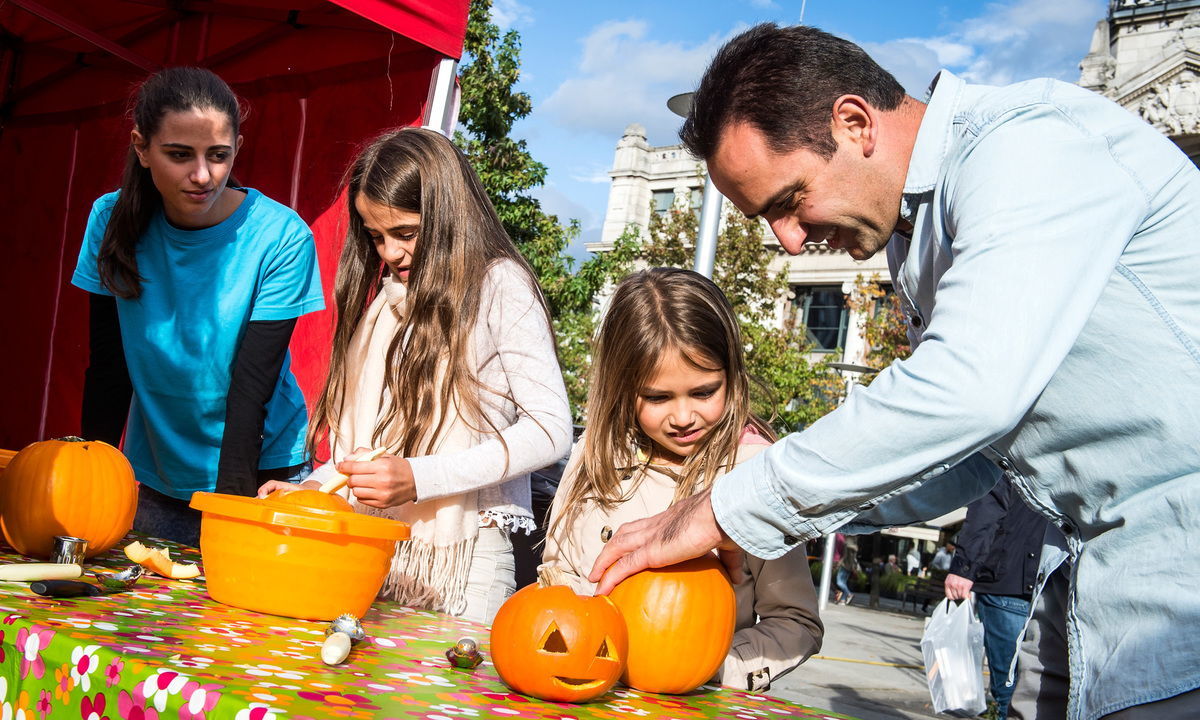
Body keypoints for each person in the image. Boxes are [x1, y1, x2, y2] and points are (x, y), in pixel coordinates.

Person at [589, 23, 1200, 720]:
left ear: (853, 123)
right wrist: (779, 496)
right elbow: (969, 456)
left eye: (790, 201)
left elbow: (967, 392)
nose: (789, 242)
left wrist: (728, 505)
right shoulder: (912, 238)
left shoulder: (1027, 146)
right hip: (1089, 572)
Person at [259, 128, 571, 625]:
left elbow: (552, 430)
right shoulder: (386, 302)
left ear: (449, 216)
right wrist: (318, 488)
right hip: (373, 552)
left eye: (406, 233)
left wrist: (418, 479)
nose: (390, 254)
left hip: (464, 569)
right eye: (375, 236)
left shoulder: (500, 283)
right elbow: (368, 448)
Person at [72, 67, 323, 546]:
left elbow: (254, 387)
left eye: (219, 156)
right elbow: (108, 368)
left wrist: (229, 515)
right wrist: (90, 486)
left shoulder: (282, 237)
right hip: (160, 475)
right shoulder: (109, 221)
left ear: (237, 151)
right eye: (179, 154)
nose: (202, 175)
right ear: (142, 148)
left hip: (262, 475)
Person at [542, 268, 822, 692]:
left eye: (704, 392)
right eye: (657, 397)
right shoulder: (593, 455)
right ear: (622, 388)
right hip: (584, 690)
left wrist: (712, 667)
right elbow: (555, 573)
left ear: (731, 376)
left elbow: (796, 621)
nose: (683, 417)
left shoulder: (756, 476)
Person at [944, 480, 1051, 720]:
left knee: (1011, 693)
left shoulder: (1009, 450)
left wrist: (964, 567)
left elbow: (989, 506)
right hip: (1052, 583)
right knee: (1048, 692)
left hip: (1009, 581)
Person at [834, 540, 856, 606]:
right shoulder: (854, 547)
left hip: (844, 566)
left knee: (839, 582)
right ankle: (843, 600)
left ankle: (849, 594)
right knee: (844, 584)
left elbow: (844, 556)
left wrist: (838, 564)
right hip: (849, 567)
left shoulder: (847, 545)